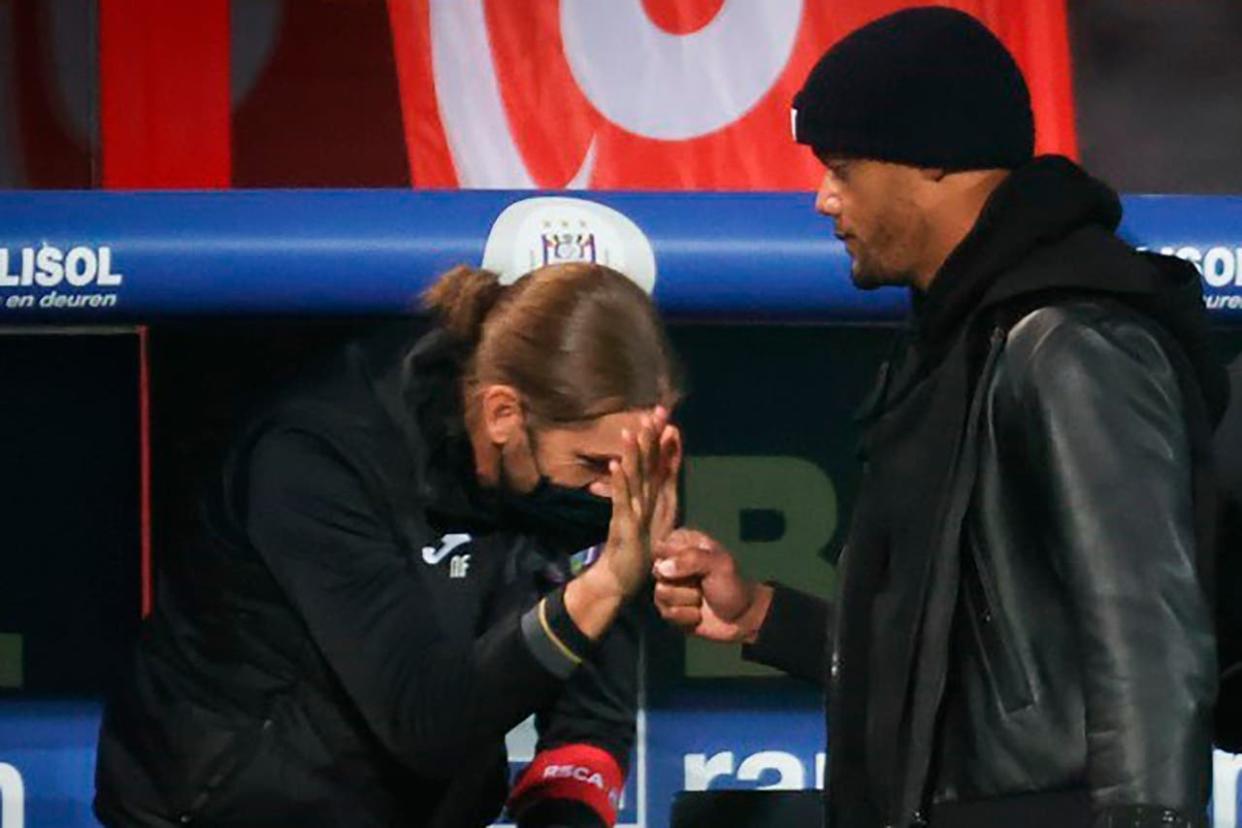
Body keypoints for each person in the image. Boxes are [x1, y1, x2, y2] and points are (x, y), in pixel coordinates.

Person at [654, 8, 1225, 828]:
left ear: (931, 164)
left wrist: (1152, 820)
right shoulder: (957, 339)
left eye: (843, 168)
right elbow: (953, 667)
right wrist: (761, 617)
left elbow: (1150, 631)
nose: (823, 199)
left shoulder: (1069, 344)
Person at [95, 262, 682, 828]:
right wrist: (604, 586)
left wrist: (566, 818)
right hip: (227, 804)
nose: (611, 490)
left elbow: (590, 711)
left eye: (626, 467)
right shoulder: (317, 457)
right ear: (502, 412)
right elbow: (427, 722)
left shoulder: (575, 478)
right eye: (595, 464)